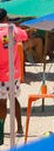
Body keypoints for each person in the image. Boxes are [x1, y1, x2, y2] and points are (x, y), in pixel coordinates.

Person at [0, 9, 28, 141]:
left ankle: (1, 130)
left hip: (1, 74)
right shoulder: (14, 30)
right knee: (14, 99)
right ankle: (20, 127)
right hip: (14, 72)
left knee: (2, 102)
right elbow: (25, 36)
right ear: (6, 18)